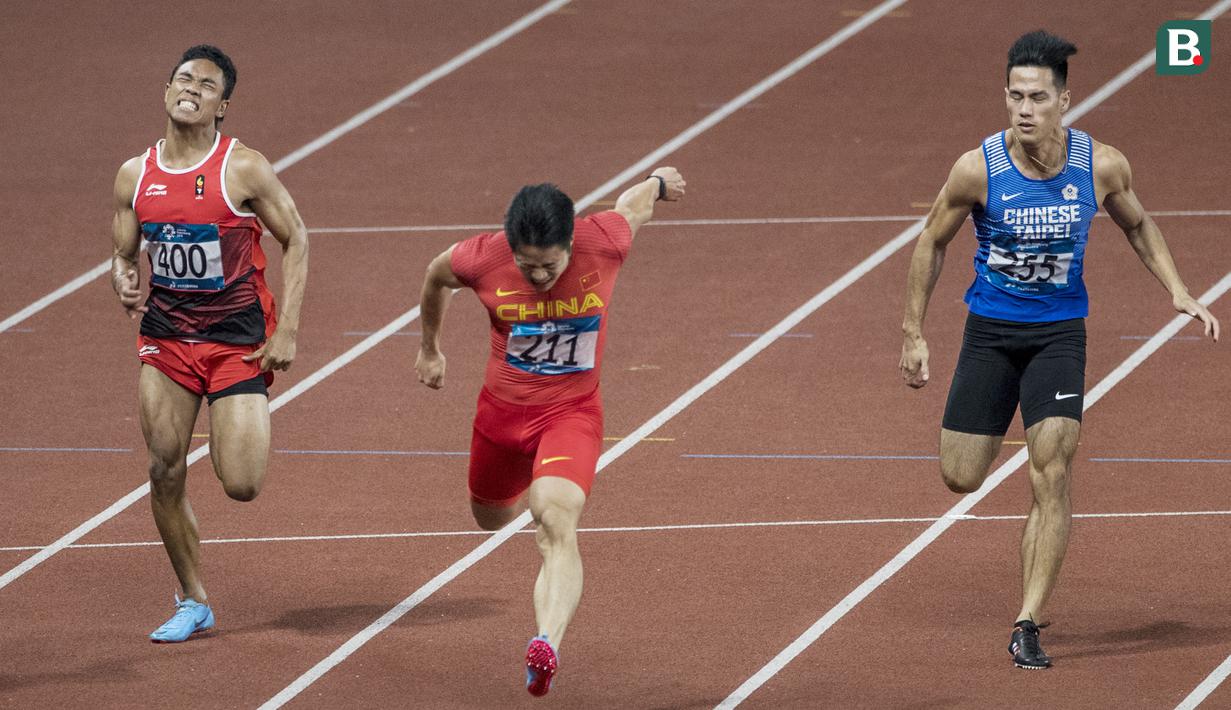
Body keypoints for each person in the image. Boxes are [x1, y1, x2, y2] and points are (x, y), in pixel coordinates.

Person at [898, 30, 1219, 669]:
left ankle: (1027, 621)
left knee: (1052, 469)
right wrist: (913, 331)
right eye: (1015, 96)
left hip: (1059, 335)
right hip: (990, 334)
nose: (1024, 109)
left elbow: (1138, 223)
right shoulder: (977, 169)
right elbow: (931, 240)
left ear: (1064, 101)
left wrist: (1178, 288)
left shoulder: (1100, 165)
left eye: (1038, 97)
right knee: (961, 475)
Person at [415, 169, 685, 694]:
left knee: (555, 521)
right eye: (527, 266)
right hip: (500, 418)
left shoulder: (604, 241)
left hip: (571, 415)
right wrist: (429, 347)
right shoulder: (481, 257)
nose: (538, 276)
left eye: (550, 265)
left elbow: (633, 205)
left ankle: (546, 644)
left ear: (571, 243)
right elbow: (435, 277)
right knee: (490, 518)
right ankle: (521, 493)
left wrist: (658, 182)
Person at [110, 45, 309, 643]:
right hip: (167, 338)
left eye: (207, 84)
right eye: (183, 78)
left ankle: (233, 421)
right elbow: (123, 252)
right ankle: (193, 599)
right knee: (163, 467)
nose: (191, 88)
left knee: (242, 484)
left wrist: (288, 328)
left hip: (235, 340)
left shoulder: (243, 168)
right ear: (166, 90)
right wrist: (123, 276)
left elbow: (297, 238)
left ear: (222, 105)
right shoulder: (134, 175)